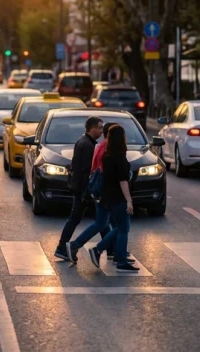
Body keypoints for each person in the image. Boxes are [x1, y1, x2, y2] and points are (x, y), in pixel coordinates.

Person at [66, 124, 139, 272]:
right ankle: (102, 251)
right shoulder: (115, 154)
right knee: (121, 226)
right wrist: (129, 200)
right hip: (114, 196)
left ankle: (83, 247)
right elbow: (121, 179)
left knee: (104, 223)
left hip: (103, 194)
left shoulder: (105, 151)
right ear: (121, 138)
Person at [55, 116, 104, 261]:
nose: (102, 131)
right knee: (79, 219)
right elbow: (86, 171)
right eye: (100, 128)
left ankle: (112, 248)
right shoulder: (88, 145)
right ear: (92, 128)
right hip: (83, 190)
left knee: (101, 220)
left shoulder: (83, 141)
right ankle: (62, 248)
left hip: (80, 188)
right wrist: (87, 192)